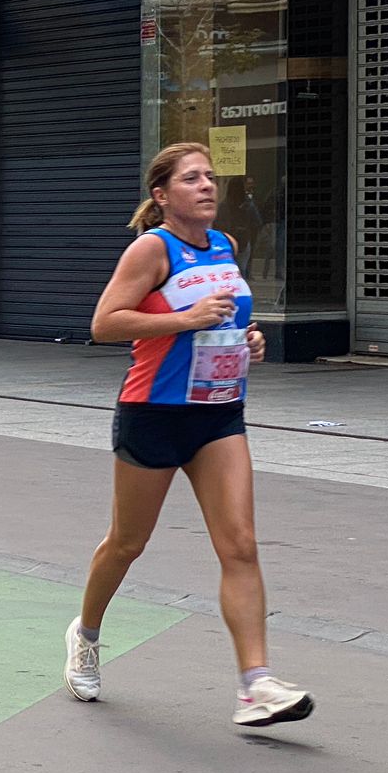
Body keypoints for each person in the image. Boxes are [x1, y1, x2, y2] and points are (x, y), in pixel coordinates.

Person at [66, 142, 314, 728]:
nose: (207, 185)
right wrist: (184, 319)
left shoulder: (225, 245)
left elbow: (226, 317)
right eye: (191, 178)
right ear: (162, 196)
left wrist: (248, 339)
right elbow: (105, 323)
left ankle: (256, 685)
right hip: (153, 412)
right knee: (127, 543)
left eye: (210, 176)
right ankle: (86, 633)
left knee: (240, 545)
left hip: (218, 413)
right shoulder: (151, 250)